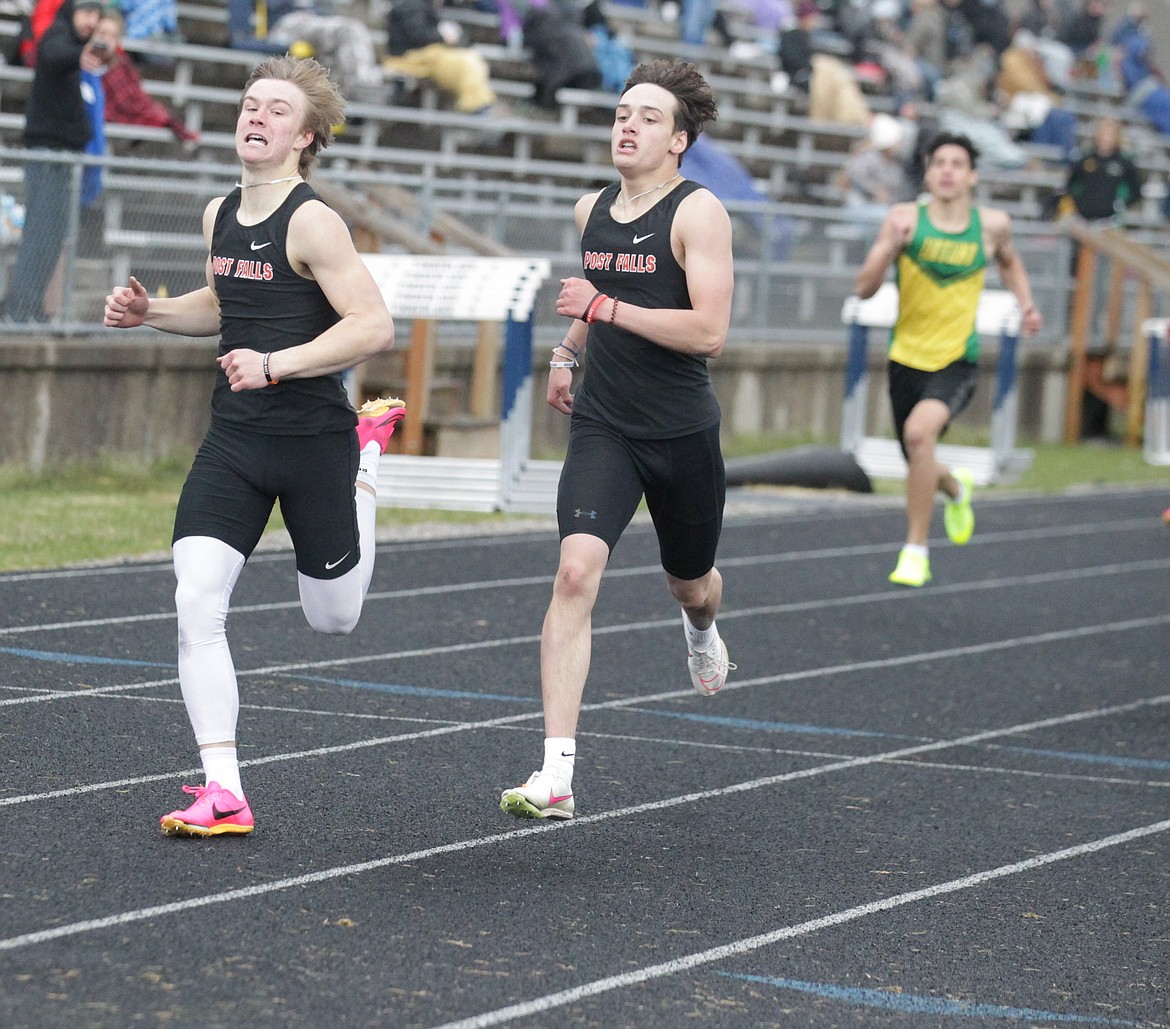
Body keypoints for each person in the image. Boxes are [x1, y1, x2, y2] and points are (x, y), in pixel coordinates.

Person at [103, 55, 403, 837]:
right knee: (195, 598)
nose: (256, 116)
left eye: (275, 109)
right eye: (249, 104)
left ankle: (368, 466)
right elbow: (227, 300)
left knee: (333, 618)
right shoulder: (218, 213)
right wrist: (153, 314)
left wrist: (276, 365)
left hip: (312, 440)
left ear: (304, 137)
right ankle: (224, 787)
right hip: (234, 440)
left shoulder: (313, 220)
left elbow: (372, 326)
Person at [499, 58, 735, 821]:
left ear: (679, 141)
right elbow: (607, 295)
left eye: (649, 117)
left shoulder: (699, 214)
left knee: (689, 581)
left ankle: (700, 627)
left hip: (679, 429)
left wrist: (599, 309)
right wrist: (570, 347)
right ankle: (556, 772)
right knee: (574, 571)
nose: (628, 125)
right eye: (623, 112)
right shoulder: (589, 209)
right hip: (605, 424)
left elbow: (709, 331)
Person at [853, 131, 1043, 587]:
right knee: (916, 456)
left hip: (956, 360)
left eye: (957, 163)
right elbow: (863, 288)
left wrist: (1028, 304)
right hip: (905, 359)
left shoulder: (992, 225)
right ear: (928, 172)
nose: (947, 171)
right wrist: (887, 247)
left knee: (920, 436)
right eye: (939, 162)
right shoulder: (904, 219)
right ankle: (955, 487)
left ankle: (915, 550)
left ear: (971, 175)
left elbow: (1011, 262)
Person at [2, 0, 105, 324]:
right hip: (48, 156)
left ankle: (28, 309)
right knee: (40, 236)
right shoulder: (58, 37)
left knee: (49, 240)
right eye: (86, 12)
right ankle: (19, 311)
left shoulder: (72, 46)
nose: (91, 20)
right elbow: (52, 52)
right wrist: (79, 54)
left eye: (96, 15)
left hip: (61, 157)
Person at [382, 0, 498, 114]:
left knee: (472, 58)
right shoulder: (410, 4)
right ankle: (477, 108)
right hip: (412, 58)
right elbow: (417, 36)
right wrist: (442, 36)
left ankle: (479, 105)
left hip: (427, 55)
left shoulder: (423, 4)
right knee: (466, 62)